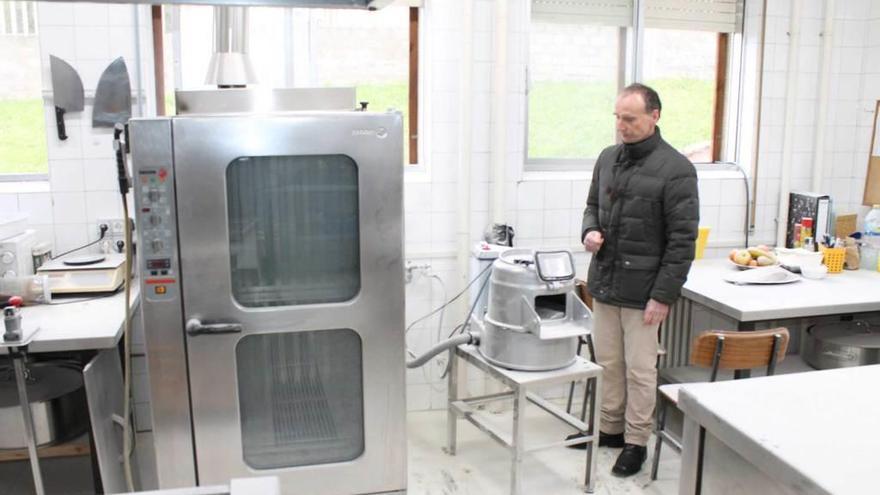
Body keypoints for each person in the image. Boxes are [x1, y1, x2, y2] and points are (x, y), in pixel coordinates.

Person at [569, 83, 699, 477]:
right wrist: (589, 232)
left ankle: (636, 441)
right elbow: (592, 206)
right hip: (606, 283)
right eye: (617, 118)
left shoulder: (676, 169)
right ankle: (609, 428)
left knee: (640, 370)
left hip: (645, 293)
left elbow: (682, 241)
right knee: (608, 361)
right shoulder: (608, 158)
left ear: (654, 116)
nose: (621, 126)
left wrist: (663, 295)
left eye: (630, 118)